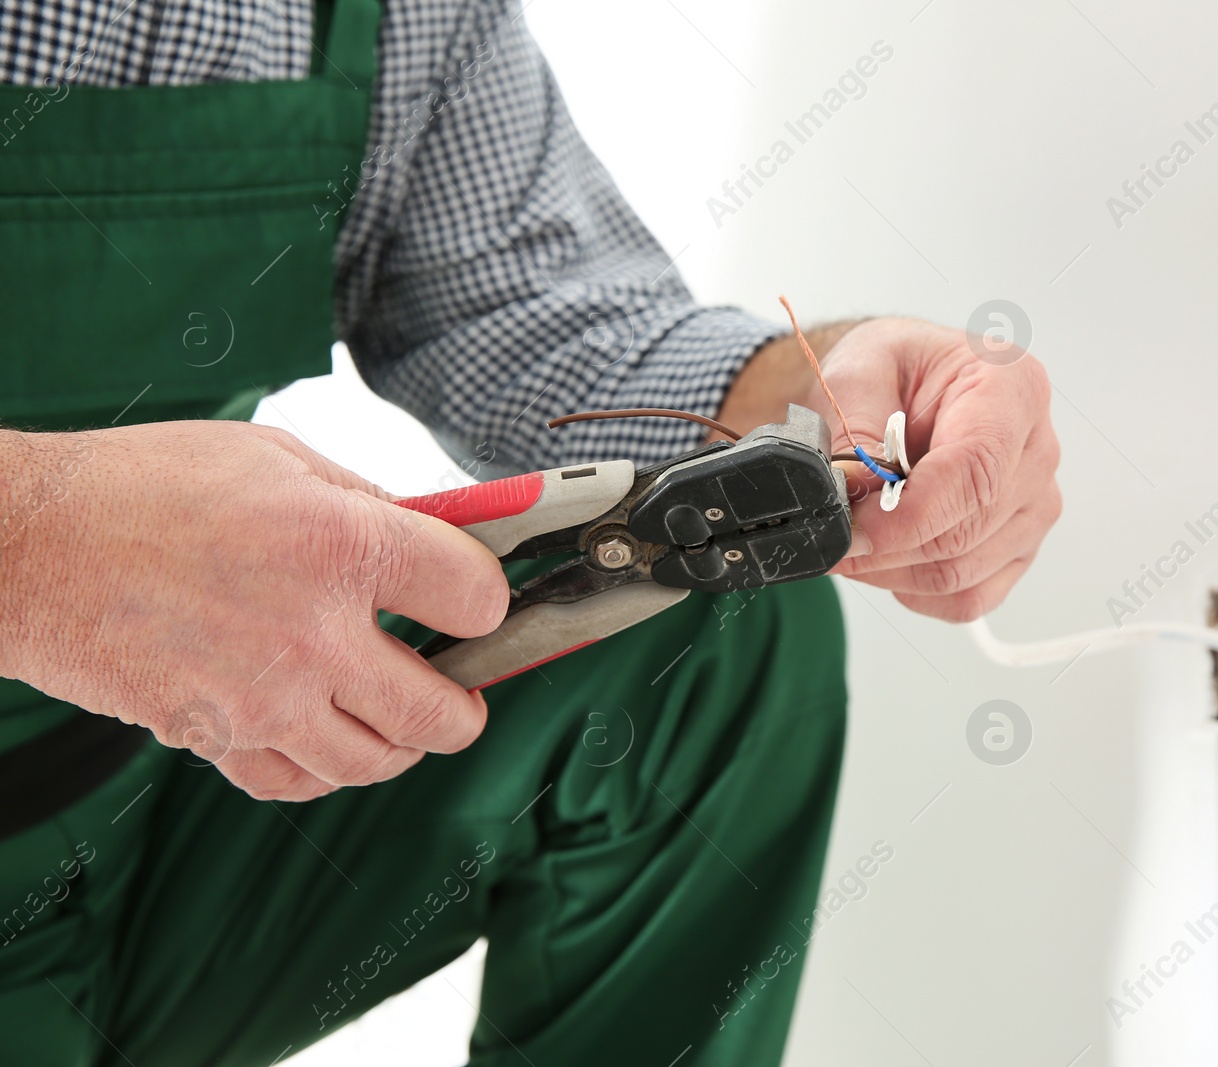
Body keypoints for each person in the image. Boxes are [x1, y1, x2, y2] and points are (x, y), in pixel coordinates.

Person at [0, 1, 1060, 1064]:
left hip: (130, 806)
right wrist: (40, 552)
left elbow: (519, 304)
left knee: (718, 635)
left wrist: (829, 395)